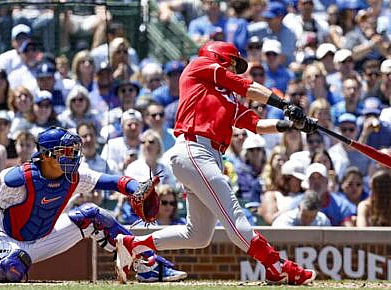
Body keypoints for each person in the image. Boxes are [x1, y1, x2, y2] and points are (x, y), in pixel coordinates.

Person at [115, 41, 318, 285]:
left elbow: (254, 123)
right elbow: (246, 86)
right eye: (232, 62)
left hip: (207, 156)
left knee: (198, 235)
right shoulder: (199, 66)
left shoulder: (226, 98)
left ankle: (133, 244)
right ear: (220, 56)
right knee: (235, 219)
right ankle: (276, 266)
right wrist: (284, 104)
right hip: (194, 148)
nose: (234, 68)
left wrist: (293, 124)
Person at [0, 126, 186, 283]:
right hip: (3, 239)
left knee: (93, 216)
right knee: (12, 266)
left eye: (74, 151)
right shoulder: (15, 179)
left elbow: (112, 181)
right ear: (47, 155)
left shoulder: (74, 177)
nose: (73, 156)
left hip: (43, 238)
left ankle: (147, 266)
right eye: (66, 152)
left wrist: (136, 188)